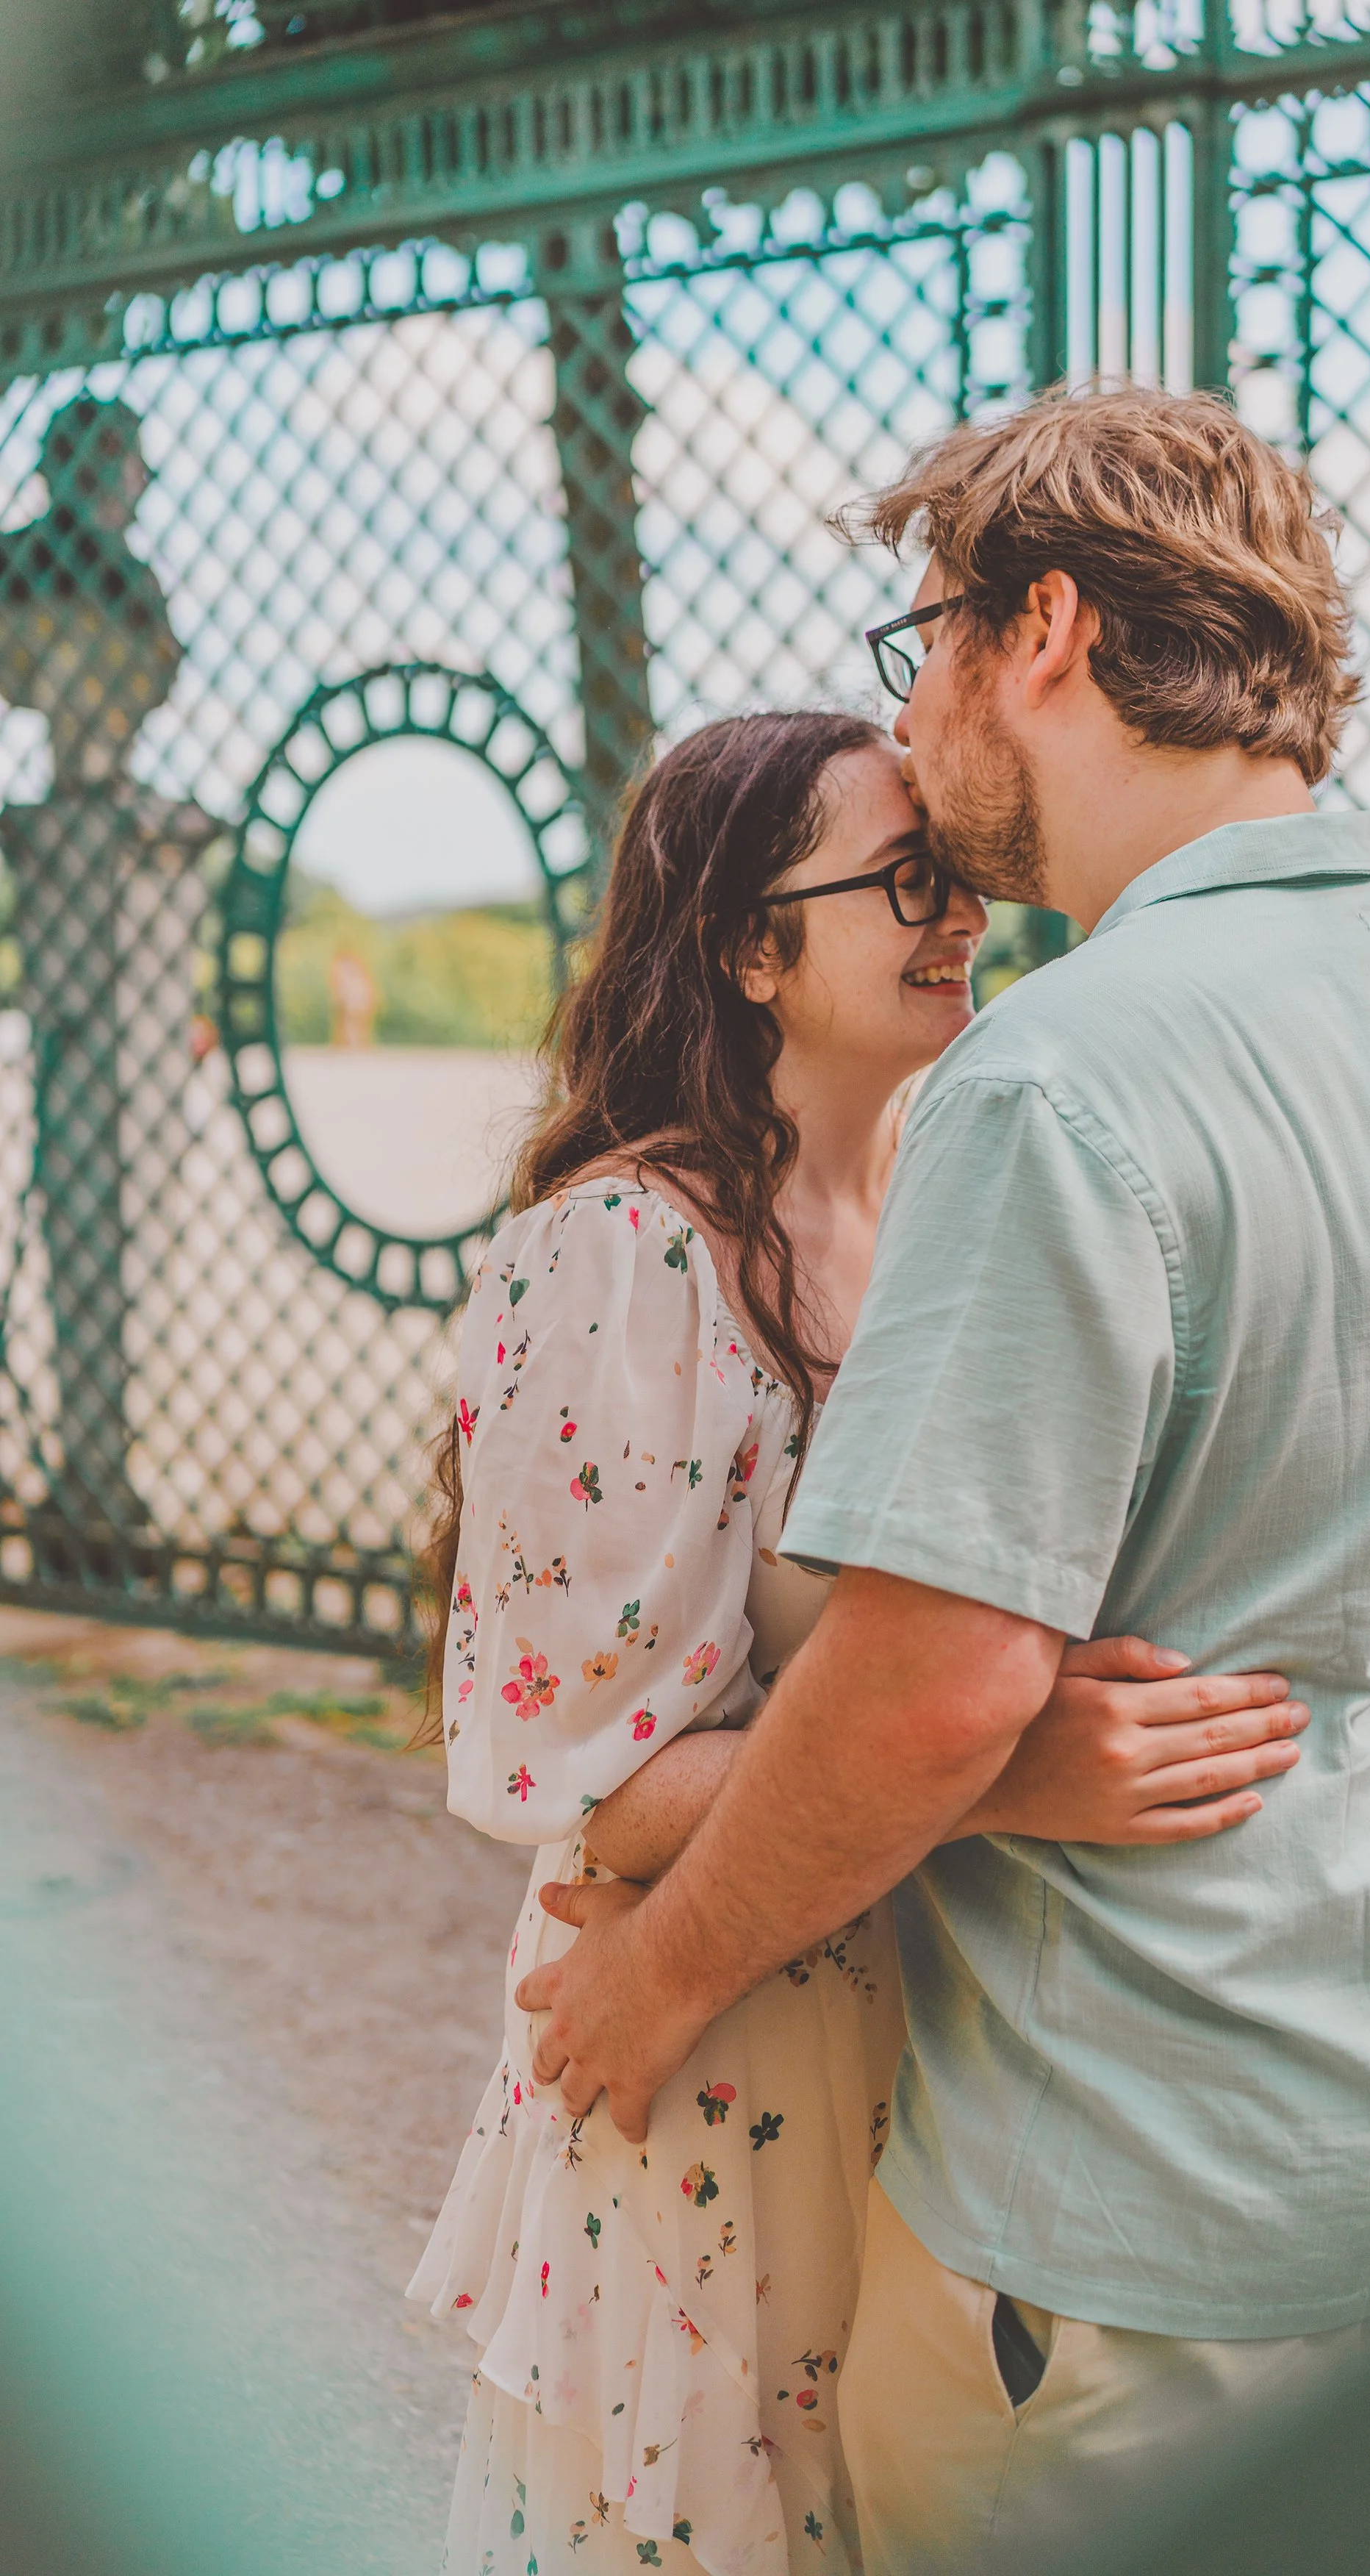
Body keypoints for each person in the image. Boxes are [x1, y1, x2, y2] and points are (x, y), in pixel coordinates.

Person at [517, 388, 1370, 2575]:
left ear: (1044, 626)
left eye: (921, 641)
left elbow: (931, 1696)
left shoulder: (1062, 1073)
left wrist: (660, 1972)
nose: (911, 722)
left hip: (1133, 2225)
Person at [411, 706, 1311, 2575]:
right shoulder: (621, 1257)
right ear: (750, 946)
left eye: (960, 876)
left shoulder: (939, 1222)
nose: (957, 915)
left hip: (930, 2050)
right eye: (899, 881)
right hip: (712, 2065)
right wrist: (1008, 1766)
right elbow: (581, 1778)